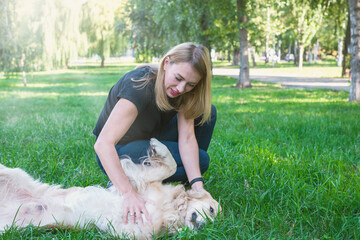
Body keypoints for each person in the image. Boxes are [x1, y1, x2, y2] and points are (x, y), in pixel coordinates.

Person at [93, 42, 217, 225]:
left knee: (207, 114)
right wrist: (128, 193)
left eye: (190, 84)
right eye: (178, 78)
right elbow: (103, 144)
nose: (181, 88)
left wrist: (198, 187)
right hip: (119, 151)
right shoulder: (139, 86)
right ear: (166, 63)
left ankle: (172, 183)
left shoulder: (184, 92)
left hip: (150, 140)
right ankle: (122, 183)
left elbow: (188, 138)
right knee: (202, 160)